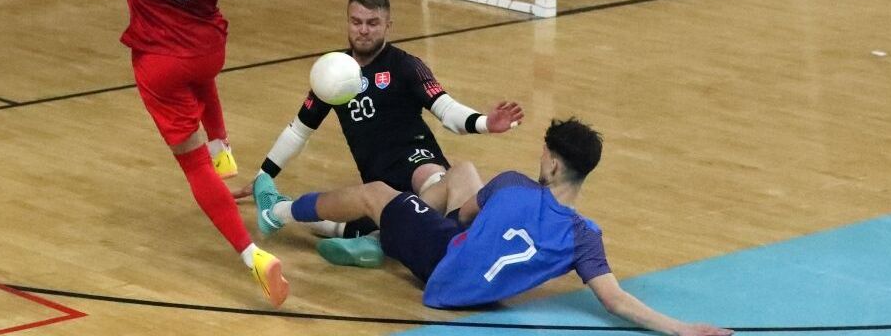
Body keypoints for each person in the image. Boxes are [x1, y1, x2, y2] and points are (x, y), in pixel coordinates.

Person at [63, 0, 360, 306]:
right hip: (205, 52)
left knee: (193, 165)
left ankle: (252, 256)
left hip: (158, 59)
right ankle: (221, 144)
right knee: (201, 67)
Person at [254, 118, 733, 336]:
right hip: (481, 293)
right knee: (462, 171)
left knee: (376, 193)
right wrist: (680, 328)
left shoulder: (512, 185)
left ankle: (280, 212)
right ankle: (382, 238)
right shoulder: (584, 236)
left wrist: (417, 214)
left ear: (553, 164)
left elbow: (462, 218)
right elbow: (616, 300)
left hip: (442, 269)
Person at [234, 0, 525, 249]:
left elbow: (446, 109)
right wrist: (262, 177)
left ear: (388, 25)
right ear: (347, 22)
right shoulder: (333, 72)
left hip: (417, 159)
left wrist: (485, 123)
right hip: (378, 181)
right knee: (326, 224)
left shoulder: (406, 66)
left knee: (433, 180)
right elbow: (299, 131)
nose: (363, 30)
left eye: (372, 23)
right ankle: (371, 235)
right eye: (356, 22)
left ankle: (380, 239)